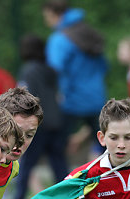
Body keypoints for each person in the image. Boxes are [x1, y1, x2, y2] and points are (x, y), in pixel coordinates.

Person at [42, 0, 108, 160]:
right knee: (105, 144)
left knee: (56, 147)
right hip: (96, 97)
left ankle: (65, 182)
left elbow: (53, 71)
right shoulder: (87, 32)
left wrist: (55, 93)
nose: (45, 20)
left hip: (70, 101)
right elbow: (104, 66)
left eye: (46, 16)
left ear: (52, 13)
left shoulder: (59, 39)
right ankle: (109, 181)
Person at [13, 33, 68, 199]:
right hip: (56, 121)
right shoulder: (50, 70)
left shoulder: (28, 70)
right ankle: (69, 196)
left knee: (26, 162)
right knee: (58, 163)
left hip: (39, 123)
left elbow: (25, 96)